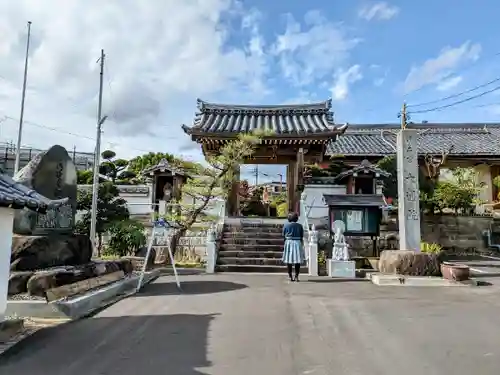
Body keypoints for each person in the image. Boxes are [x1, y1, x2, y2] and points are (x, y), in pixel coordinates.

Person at [282, 212, 305, 282]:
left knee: (289, 260)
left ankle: (290, 276)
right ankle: (297, 276)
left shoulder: (286, 225)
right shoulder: (300, 226)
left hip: (289, 242)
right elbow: (301, 235)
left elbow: (283, 235)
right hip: (297, 242)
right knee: (297, 260)